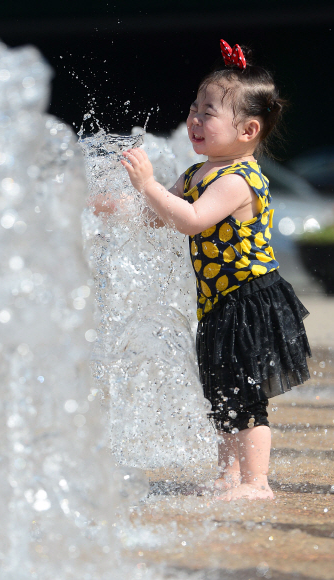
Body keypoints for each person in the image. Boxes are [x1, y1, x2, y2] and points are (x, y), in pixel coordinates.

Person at [94, 40, 311, 500]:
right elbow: (159, 213)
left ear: (248, 129)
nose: (194, 118)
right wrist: (112, 205)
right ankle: (229, 474)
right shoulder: (198, 174)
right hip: (219, 302)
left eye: (208, 111)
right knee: (222, 391)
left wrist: (148, 183)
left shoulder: (237, 180)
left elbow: (190, 221)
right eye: (194, 106)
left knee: (249, 397)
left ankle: (257, 482)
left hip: (251, 300)